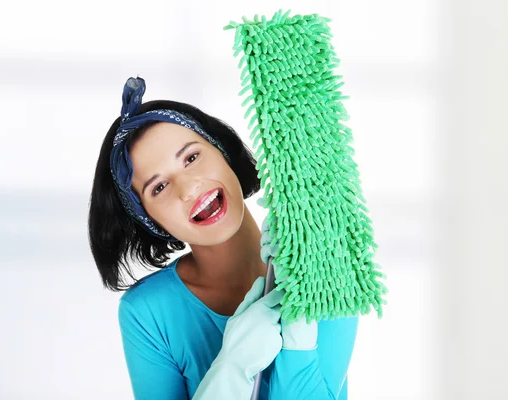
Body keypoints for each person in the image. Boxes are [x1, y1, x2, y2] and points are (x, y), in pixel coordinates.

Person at [88, 77, 359, 399]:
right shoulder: (148, 312)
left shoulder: (327, 260)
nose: (189, 189)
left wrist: (299, 341)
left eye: (191, 157)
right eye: (159, 187)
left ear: (223, 152)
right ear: (149, 219)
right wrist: (231, 368)